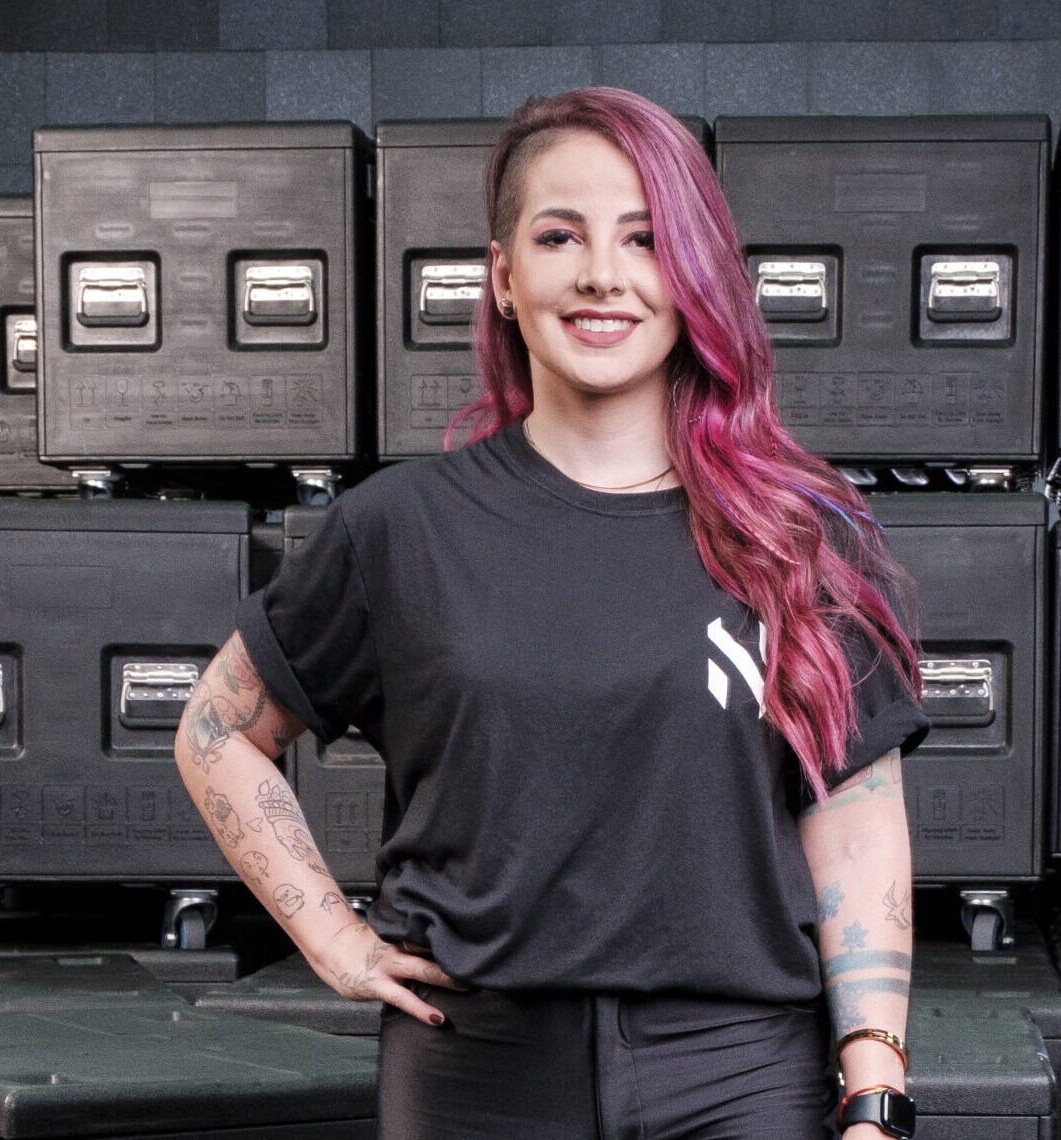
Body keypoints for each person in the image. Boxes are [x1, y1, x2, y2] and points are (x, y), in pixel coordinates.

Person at [174, 86, 928, 1139]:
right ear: (503, 276)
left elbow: (853, 831)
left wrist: (873, 1093)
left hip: (741, 1073)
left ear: (696, 274)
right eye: (560, 235)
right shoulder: (400, 528)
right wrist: (332, 938)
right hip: (476, 1071)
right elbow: (216, 732)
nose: (602, 275)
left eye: (645, 238)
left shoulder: (799, 535)